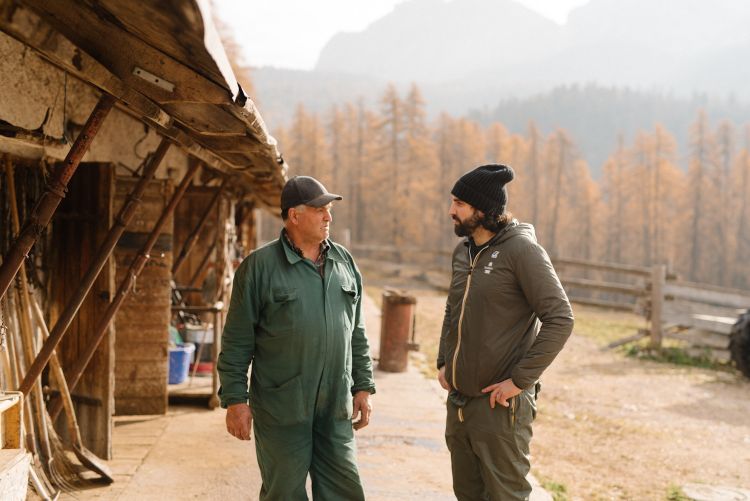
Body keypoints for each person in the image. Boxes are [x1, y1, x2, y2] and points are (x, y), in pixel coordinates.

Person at [218, 175, 375, 500]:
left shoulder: (343, 262)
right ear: (294, 215)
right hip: (282, 407)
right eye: (320, 210)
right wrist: (235, 400)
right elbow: (236, 341)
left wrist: (363, 386)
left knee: (345, 490)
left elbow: (356, 332)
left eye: (329, 210)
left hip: (336, 405)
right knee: (284, 492)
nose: (328, 217)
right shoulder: (259, 268)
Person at [437, 164, 574, 501]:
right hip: (459, 403)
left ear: (482, 210)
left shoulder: (522, 251)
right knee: (468, 495)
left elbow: (560, 317)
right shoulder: (463, 251)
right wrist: (444, 361)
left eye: (459, 204)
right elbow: (453, 308)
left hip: (500, 408)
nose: (451, 211)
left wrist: (520, 380)